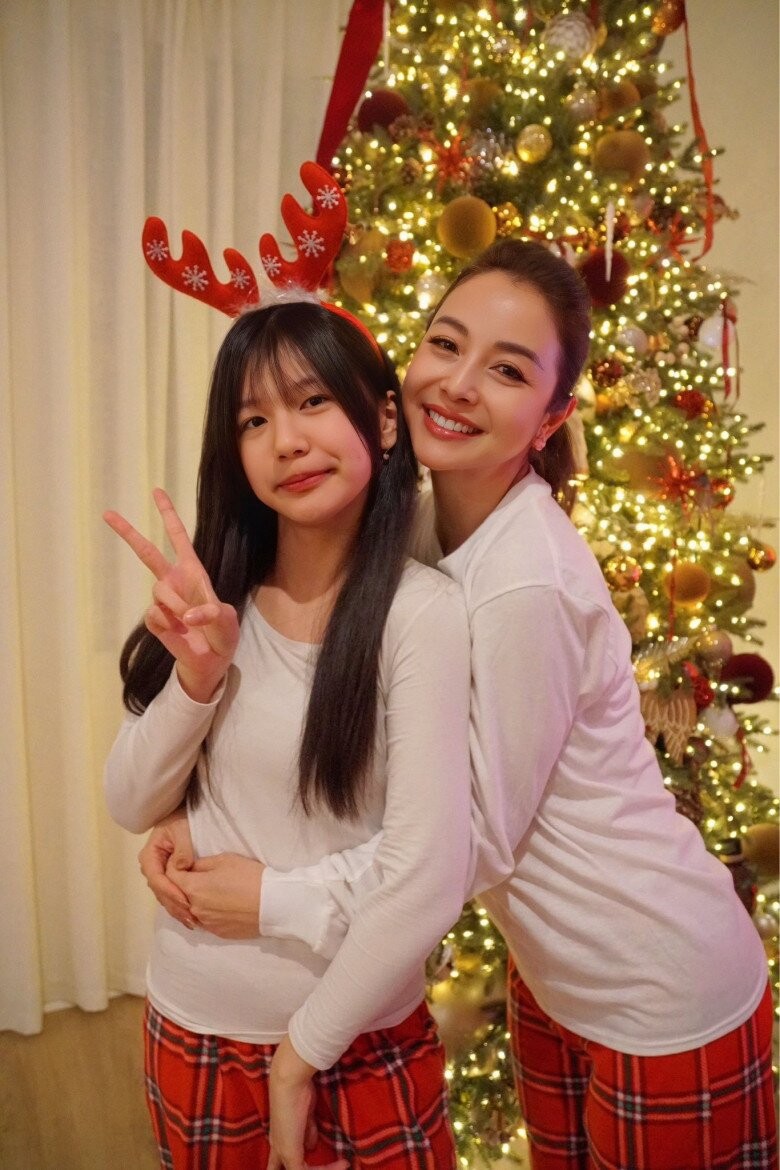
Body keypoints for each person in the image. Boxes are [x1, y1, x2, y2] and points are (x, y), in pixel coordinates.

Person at [143, 238, 777, 1170]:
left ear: (553, 416)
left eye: (508, 370)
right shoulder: (420, 523)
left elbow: (460, 844)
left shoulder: (525, 582)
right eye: (446, 344)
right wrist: (197, 810)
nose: (459, 383)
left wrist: (273, 899)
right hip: (557, 976)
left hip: (659, 979)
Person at [103, 297, 473, 1170]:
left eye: (312, 402)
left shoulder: (422, 614)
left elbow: (424, 871)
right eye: (254, 420)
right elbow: (130, 802)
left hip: (359, 1034)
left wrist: (268, 897)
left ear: (385, 420)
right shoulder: (215, 599)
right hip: (197, 1022)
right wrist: (197, 680)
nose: (287, 441)